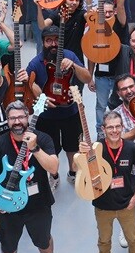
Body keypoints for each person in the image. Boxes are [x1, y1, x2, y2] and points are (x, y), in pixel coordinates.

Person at [0, 99, 62, 253]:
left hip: (39, 203)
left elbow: (53, 168)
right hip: (8, 204)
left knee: (44, 240)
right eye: (12, 118)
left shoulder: (43, 139)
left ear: (28, 117)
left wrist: (35, 148)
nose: (17, 121)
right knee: (8, 245)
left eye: (20, 117)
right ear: (7, 121)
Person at [84, 111, 135, 253]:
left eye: (118, 126)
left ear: (122, 127)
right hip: (102, 205)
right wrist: (82, 153)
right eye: (110, 127)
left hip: (126, 204)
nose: (114, 131)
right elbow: (77, 167)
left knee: (132, 238)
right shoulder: (96, 148)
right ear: (103, 129)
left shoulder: (130, 148)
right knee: (104, 239)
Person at [27, 24, 94, 183]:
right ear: (43, 42)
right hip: (46, 115)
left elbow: (87, 78)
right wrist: (41, 97)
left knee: (73, 146)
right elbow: (28, 83)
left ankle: (73, 173)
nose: (53, 44)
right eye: (49, 40)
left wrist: (74, 65)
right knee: (51, 148)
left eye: (57, 40)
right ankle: (54, 175)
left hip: (71, 112)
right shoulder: (36, 62)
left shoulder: (70, 55)